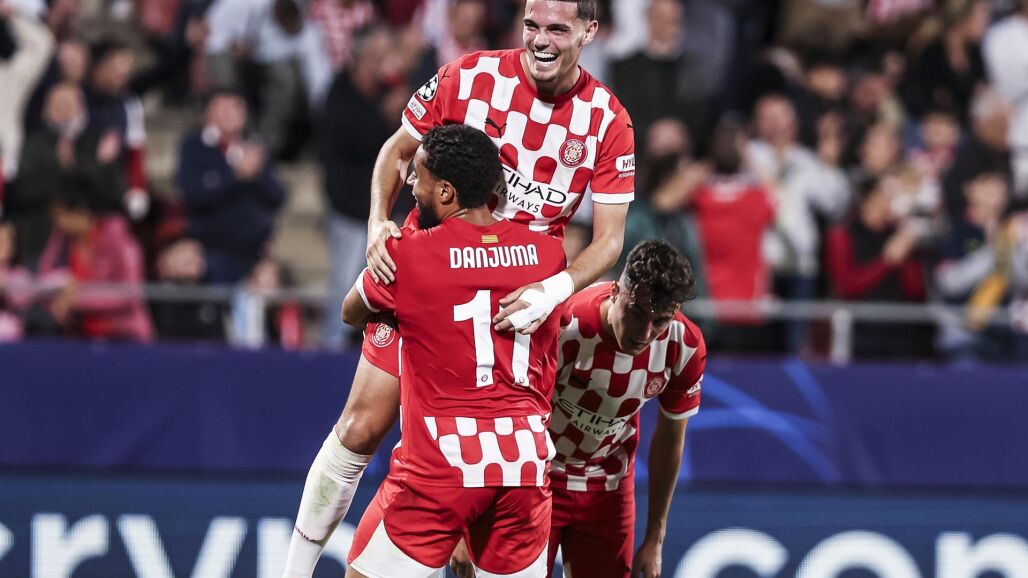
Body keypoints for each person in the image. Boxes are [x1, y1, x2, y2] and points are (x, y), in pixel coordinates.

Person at [283, 1, 635, 575]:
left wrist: (555, 290)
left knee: (486, 473)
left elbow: (610, 239)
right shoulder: (469, 75)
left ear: (590, 31)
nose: (540, 41)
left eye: (558, 29)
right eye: (531, 25)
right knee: (361, 426)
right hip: (429, 275)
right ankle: (293, 570)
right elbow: (397, 151)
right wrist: (378, 225)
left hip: (519, 302)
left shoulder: (607, 119)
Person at [339, 124, 567, 578]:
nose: (411, 183)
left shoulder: (408, 254)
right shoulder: (548, 256)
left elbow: (350, 312)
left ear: (445, 191)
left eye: (418, 175)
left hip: (442, 460)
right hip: (523, 464)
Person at [451, 240, 705, 578]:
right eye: (637, 313)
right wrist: (467, 521)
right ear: (615, 290)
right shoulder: (565, 325)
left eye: (660, 321)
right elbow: (496, 414)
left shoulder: (684, 346)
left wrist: (655, 538)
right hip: (534, 479)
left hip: (608, 486)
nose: (645, 333)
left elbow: (670, 440)